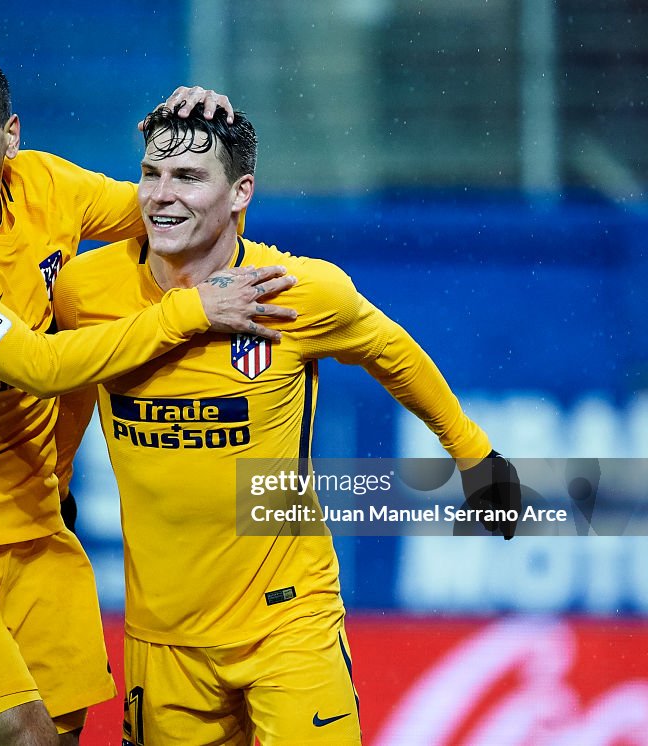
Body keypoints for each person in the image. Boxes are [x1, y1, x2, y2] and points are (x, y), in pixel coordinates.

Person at [0, 38, 296, 745]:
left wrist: (204, 142)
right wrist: (191, 311)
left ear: (10, 135)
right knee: (21, 737)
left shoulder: (48, 188)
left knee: (58, 735)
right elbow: (39, 365)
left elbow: (178, 211)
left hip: (33, 519)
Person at [52, 104, 520, 745]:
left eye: (188, 176)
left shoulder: (296, 291)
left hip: (287, 621)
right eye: (150, 173)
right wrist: (52, 479)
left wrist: (473, 456)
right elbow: (69, 383)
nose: (160, 196)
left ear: (241, 191)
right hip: (163, 639)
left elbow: (392, 352)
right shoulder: (84, 289)